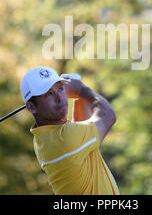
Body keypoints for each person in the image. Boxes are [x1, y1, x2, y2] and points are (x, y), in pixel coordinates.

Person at [20, 66, 120, 195]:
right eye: (49, 94)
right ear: (31, 107)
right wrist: (82, 89)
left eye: (60, 89)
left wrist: (79, 96)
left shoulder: (44, 137)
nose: (60, 97)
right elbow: (108, 116)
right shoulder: (65, 139)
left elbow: (80, 128)